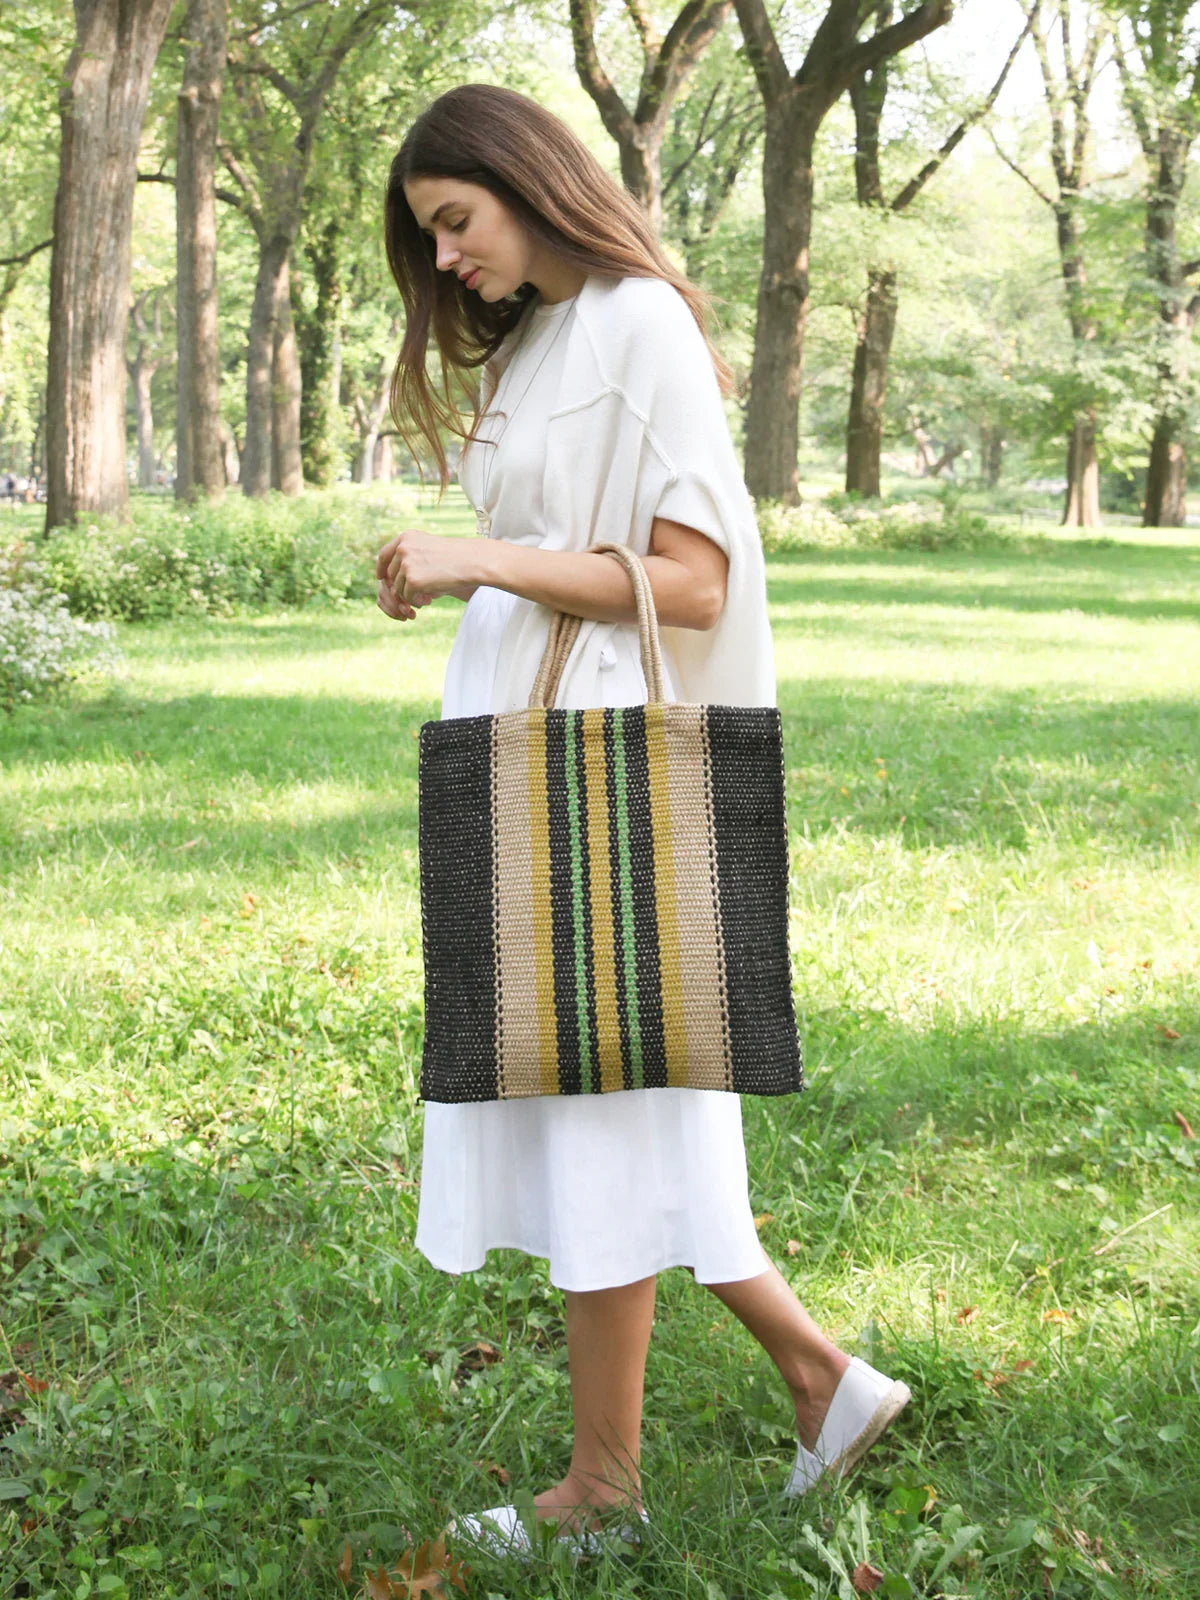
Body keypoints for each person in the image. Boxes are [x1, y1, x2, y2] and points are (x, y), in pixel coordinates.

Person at [375, 83, 911, 1558]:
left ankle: (605, 1494)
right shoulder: (551, 335)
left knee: (607, 1102)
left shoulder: (641, 321)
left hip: (597, 756)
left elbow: (695, 584)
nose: (449, 260)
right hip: (526, 744)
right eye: (432, 239)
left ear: (526, 181)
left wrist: (475, 557)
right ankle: (822, 1380)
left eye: (454, 221)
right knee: (598, 1101)